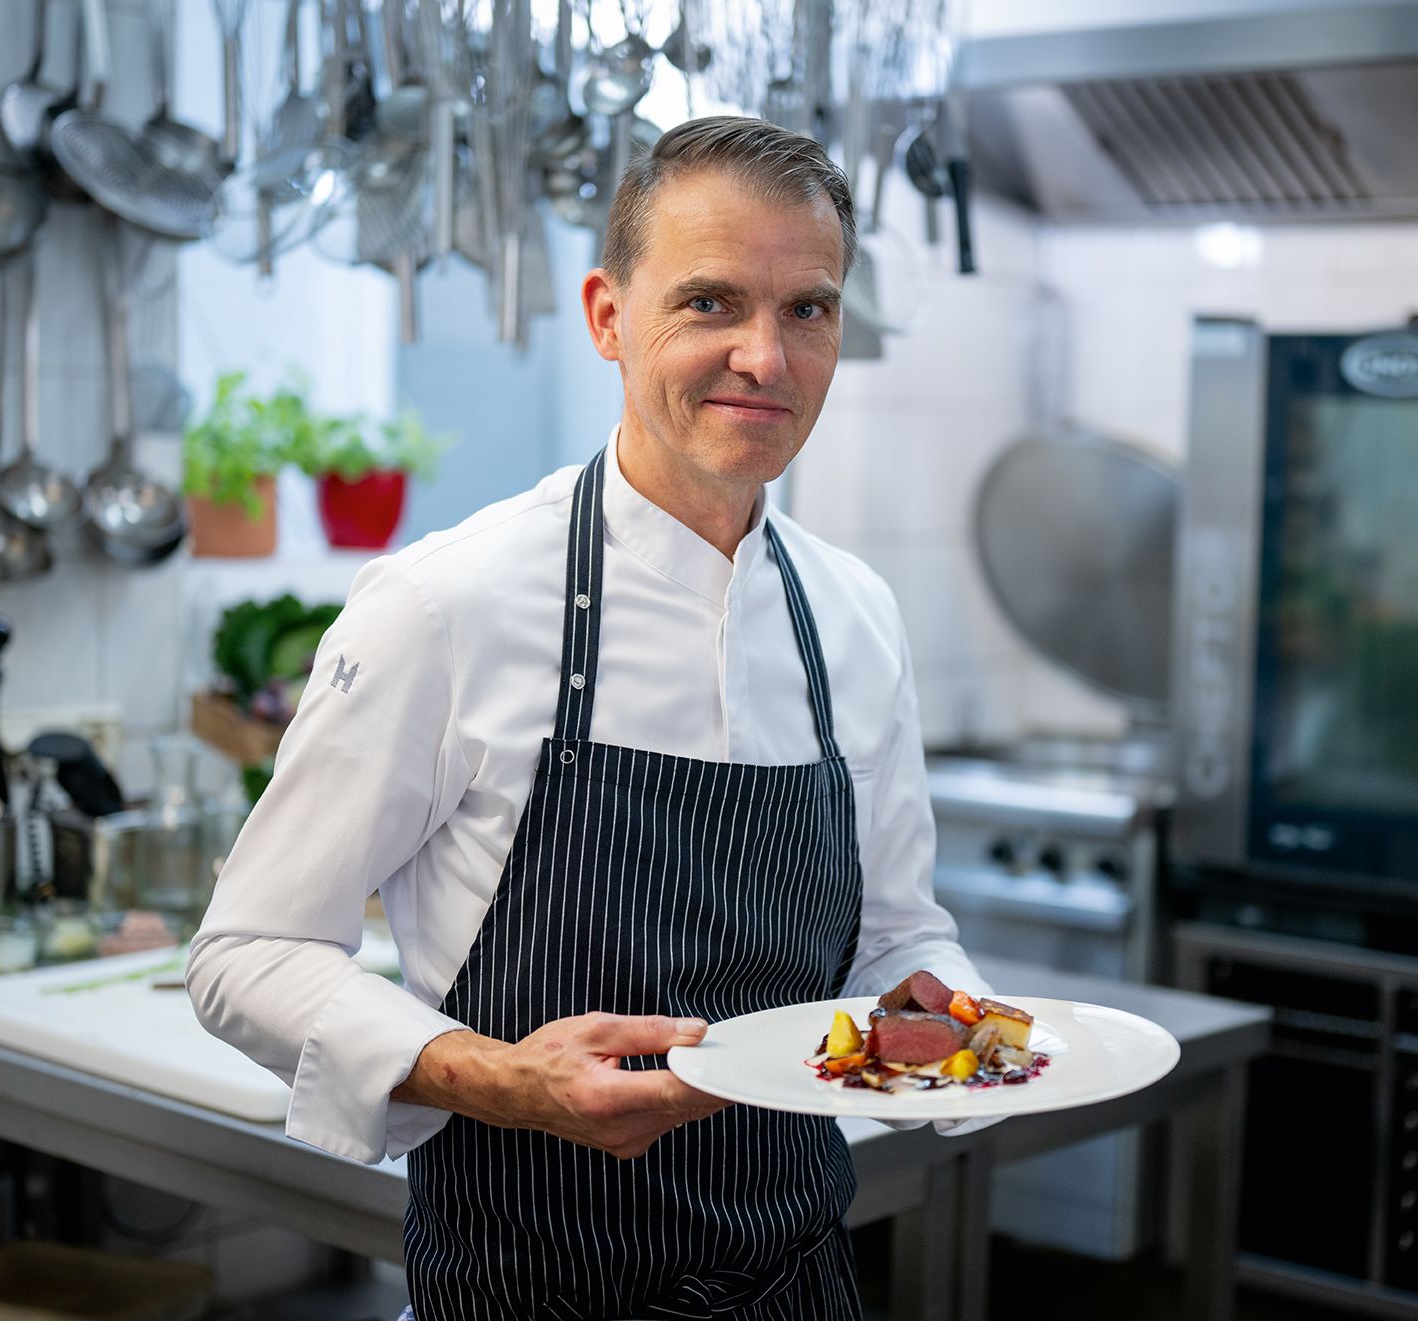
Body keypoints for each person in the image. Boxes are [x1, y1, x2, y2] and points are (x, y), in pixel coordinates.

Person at [188, 115, 991, 1320]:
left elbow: (894, 932)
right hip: (525, 1292)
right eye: (710, 303)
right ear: (608, 317)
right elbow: (246, 954)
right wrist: (501, 1079)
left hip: (800, 1284)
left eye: (807, 309)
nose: (765, 357)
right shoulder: (445, 603)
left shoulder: (854, 615)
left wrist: (958, 1013)